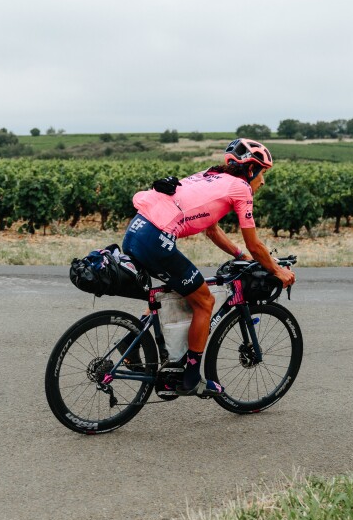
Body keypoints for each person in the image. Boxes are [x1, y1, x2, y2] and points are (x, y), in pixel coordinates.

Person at [122, 138, 296, 396]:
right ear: (251, 170)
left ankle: (130, 342)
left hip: (136, 232)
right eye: (263, 174)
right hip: (156, 239)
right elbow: (256, 244)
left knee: (170, 293)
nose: (263, 181)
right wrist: (278, 271)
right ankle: (191, 379)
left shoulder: (209, 176)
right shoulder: (241, 189)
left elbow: (212, 230)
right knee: (204, 301)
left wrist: (240, 254)